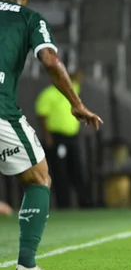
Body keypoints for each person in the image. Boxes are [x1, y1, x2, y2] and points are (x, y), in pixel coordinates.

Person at [0, 0, 102, 270]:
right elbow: (50, 60)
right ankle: (27, 265)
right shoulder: (30, 19)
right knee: (39, 178)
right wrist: (76, 104)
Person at [35, 68, 92, 208]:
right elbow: (42, 115)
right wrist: (47, 136)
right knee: (60, 172)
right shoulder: (48, 94)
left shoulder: (73, 91)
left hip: (72, 138)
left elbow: (77, 77)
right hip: (57, 138)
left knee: (77, 170)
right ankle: (63, 204)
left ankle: (85, 204)